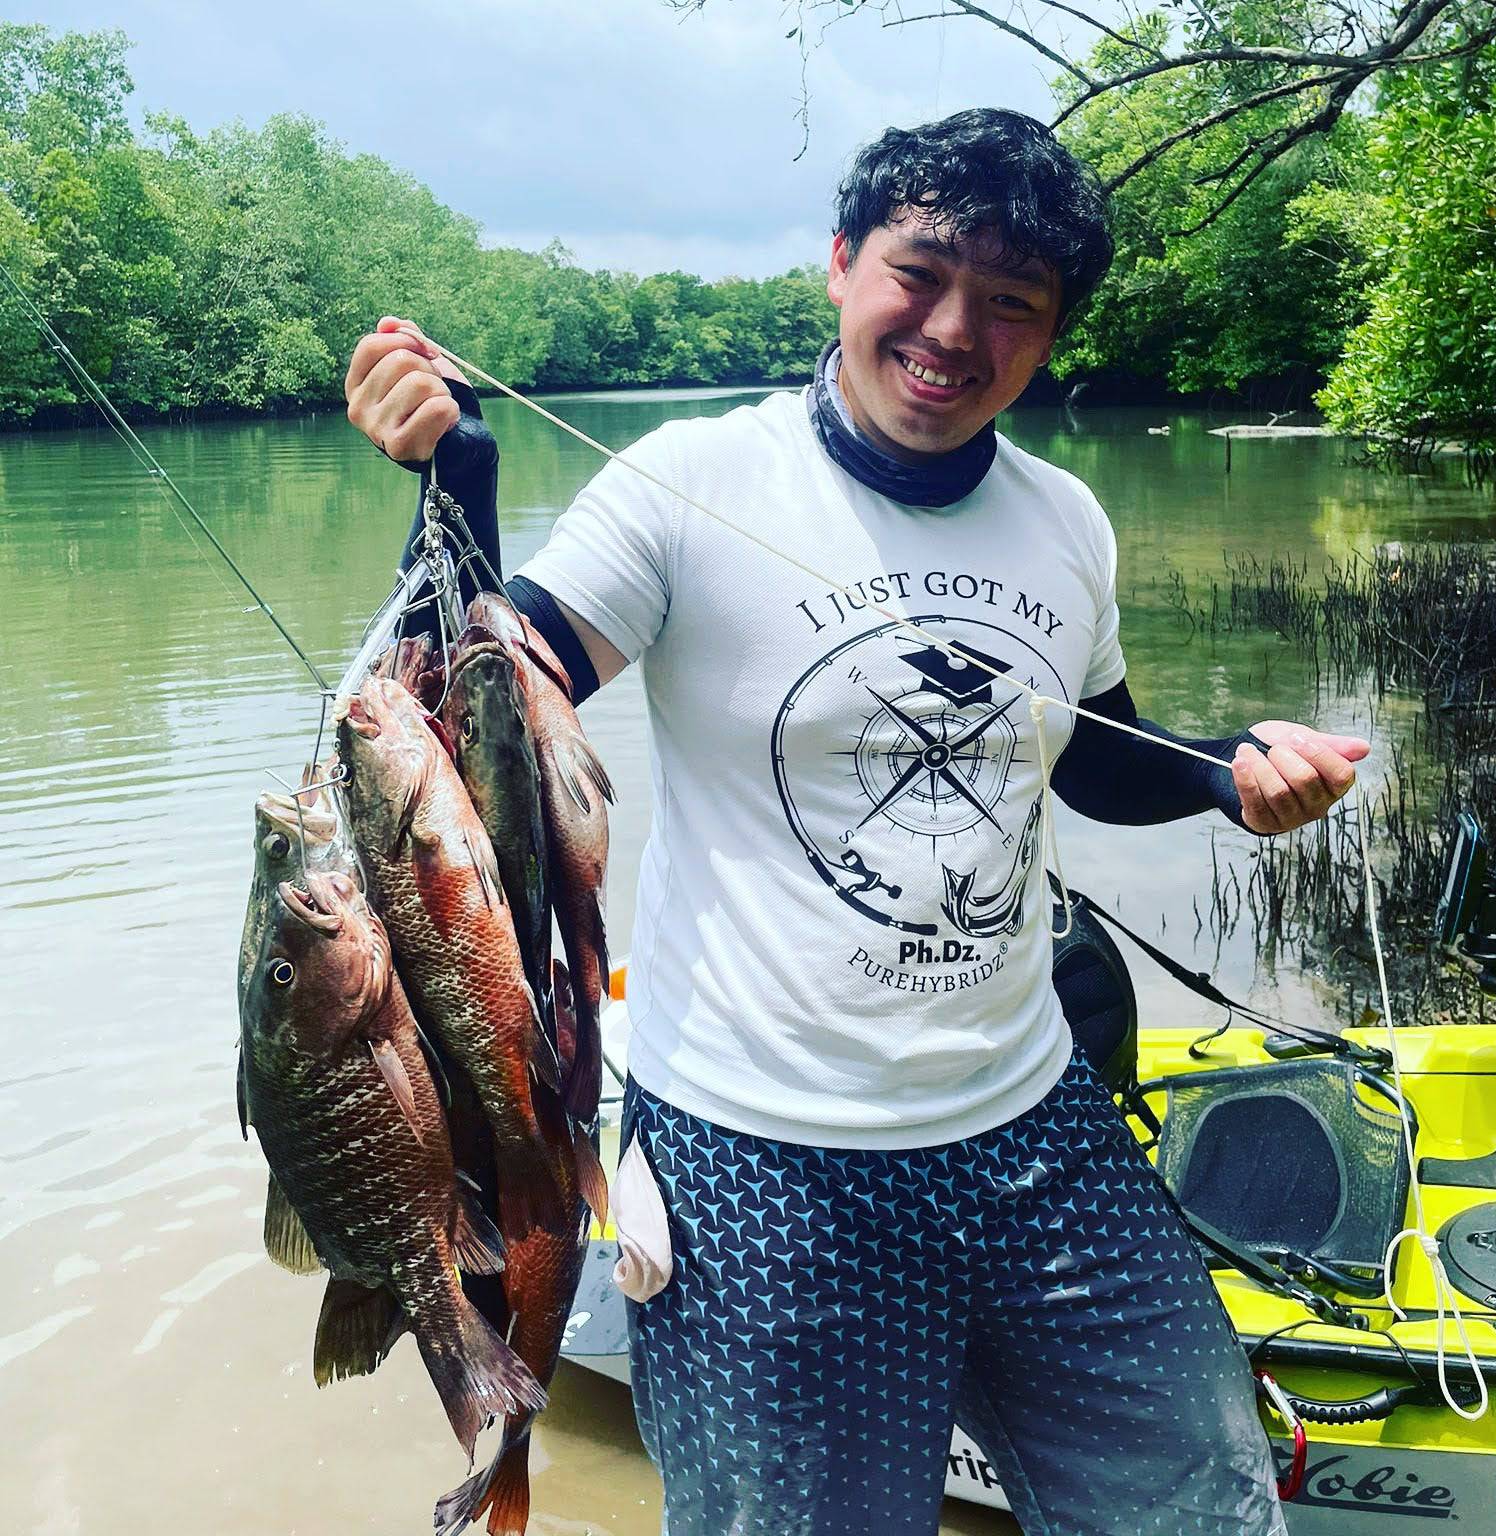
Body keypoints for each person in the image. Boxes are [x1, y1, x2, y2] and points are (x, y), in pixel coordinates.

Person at [344, 109, 1366, 1536]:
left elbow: (1093, 761)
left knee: (1200, 1507)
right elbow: (466, 735)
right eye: (921, 273)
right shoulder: (690, 484)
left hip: (1034, 1119)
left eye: (1013, 302)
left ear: (1053, 333)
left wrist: (1228, 772)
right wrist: (455, 495)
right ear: (840, 263)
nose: (955, 329)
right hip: (765, 1157)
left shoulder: (1065, 518)